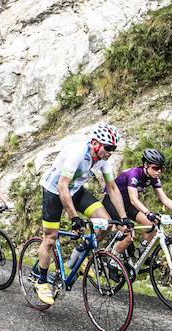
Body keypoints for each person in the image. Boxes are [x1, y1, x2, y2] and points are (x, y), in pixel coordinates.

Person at [34, 122, 128, 305]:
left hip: (75, 190)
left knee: (106, 223)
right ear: (95, 143)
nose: (111, 152)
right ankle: (42, 281)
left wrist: (123, 218)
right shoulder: (78, 152)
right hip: (54, 191)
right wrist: (74, 218)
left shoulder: (102, 159)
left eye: (113, 149)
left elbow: (112, 187)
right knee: (50, 238)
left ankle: (80, 255)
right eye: (108, 148)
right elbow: (62, 186)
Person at [104, 149, 172, 272]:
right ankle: (111, 262)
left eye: (161, 168)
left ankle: (139, 253)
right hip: (112, 203)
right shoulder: (134, 174)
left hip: (127, 204)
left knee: (152, 225)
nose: (159, 171)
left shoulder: (153, 177)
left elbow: (164, 198)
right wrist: (148, 212)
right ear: (146, 165)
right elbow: (134, 199)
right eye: (155, 168)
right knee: (128, 235)